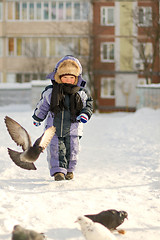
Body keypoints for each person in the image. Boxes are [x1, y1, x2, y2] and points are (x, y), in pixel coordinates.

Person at [32, 55, 93, 181]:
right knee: (55, 149)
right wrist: (38, 118)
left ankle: (70, 170)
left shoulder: (80, 93)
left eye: (71, 77)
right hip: (53, 128)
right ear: (58, 77)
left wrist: (85, 114)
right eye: (65, 77)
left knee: (73, 150)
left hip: (73, 128)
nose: (68, 80)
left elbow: (88, 104)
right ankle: (58, 171)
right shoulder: (51, 92)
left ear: (76, 78)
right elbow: (43, 105)